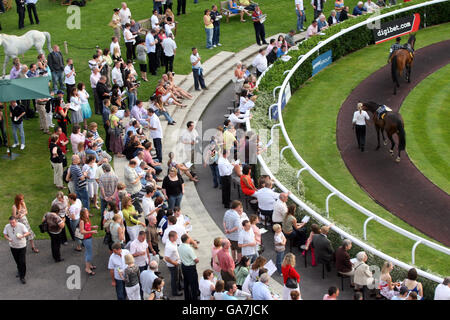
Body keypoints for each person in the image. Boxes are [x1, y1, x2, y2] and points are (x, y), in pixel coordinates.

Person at [3, 216, 30, 284]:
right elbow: (5, 234)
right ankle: (19, 270)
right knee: (17, 260)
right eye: (10, 223)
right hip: (13, 246)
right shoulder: (7, 226)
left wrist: (22, 236)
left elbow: (27, 233)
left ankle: (22, 277)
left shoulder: (21, 226)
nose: (12, 224)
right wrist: (8, 238)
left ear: (16, 221)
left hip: (22, 246)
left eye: (13, 222)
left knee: (22, 261)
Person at [179, 233, 200, 300]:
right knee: (193, 283)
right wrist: (197, 261)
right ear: (187, 240)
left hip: (184, 266)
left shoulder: (179, 246)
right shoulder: (189, 248)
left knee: (186, 282)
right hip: (190, 267)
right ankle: (195, 297)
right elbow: (196, 260)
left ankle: (187, 297)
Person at [79, 208, 98, 276]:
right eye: (86, 213)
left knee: (88, 252)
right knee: (89, 253)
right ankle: (87, 268)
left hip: (89, 238)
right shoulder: (82, 221)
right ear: (83, 214)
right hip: (86, 239)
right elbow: (82, 231)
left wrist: (93, 227)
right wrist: (91, 231)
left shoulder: (86, 219)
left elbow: (87, 227)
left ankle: (89, 265)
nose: (88, 214)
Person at [164, 231, 183, 296]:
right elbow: (166, 258)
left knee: (178, 276)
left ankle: (179, 287)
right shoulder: (169, 247)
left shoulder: (171, 241)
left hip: (176, 262)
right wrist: (174, 263)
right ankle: (175, 292)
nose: (177, 237)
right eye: (176, 236)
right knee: (174, 278)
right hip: (173, 265)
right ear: (172, 237)